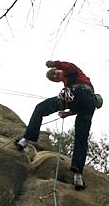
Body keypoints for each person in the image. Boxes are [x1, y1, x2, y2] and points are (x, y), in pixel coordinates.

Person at [16, 60, 96, 190]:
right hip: (88, 103)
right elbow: (79, 106)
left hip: (77, 95)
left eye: (55, 73)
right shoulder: (70, 84)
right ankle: (78, 177)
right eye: (53, 78)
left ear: (58, 70)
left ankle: (25, 140)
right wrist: (67, 114)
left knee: (40, 108)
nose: (55, 76)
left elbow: (68, 66)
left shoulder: (72, 72)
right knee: (82, 138)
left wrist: (55, 64)